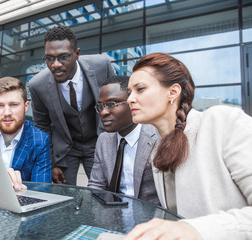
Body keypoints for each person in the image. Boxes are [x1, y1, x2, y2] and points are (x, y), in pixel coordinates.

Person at [124, 52, 252, 240]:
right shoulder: (156, 151)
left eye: (140, 89)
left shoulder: (223, 122)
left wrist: (192, 229)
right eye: (130, 92)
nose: (130, 99)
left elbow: (187, 227)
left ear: (173, 92)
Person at [28, 25, 116, 185]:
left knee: (107, 193)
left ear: (77, 54)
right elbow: (42, 126)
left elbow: (116, 106)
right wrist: (52, 163)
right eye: (49, 58)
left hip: (98, 142)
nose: (55, 64)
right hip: (66, 149)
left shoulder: (102, 66)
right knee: (65, 197)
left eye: (63, 57)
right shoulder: (37, 85)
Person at [88, 76, 160, 205]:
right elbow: (96, 185)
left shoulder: (158, 137)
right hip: (113, 216)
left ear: (133, 102)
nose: (103, 112)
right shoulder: (103, 140)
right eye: (100, 106)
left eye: (111, 104)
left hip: (151, 218)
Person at [0, 77, 52, 189]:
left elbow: (41, 190)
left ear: (26, 106)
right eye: (0, 106)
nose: (7, 112)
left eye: (14, 105)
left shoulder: (40, 140)